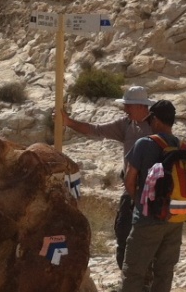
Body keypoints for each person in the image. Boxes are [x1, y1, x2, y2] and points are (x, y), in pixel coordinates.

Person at [99, 100, 185, 292]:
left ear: (155, 120)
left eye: (149, 120)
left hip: (148, 219)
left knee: (133, 271)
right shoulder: (180, 145)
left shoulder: (145, 144)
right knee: (164, 272)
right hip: (175, 219)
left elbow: (129, 178)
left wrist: (140, 203)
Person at [58, 85, 153, 268]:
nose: (125, 109)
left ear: (142, 106)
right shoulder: (126, 124)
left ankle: (144, 282)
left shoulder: (155, 126)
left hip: (151, 192)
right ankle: (129, 282)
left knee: (145, 237)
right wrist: (69, 122)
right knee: (123, 232)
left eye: (129, 106)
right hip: (130, 189)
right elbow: (95, 130)